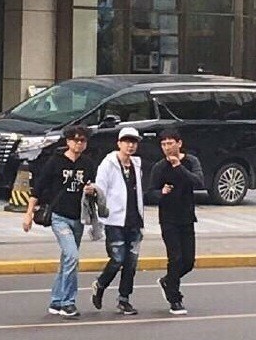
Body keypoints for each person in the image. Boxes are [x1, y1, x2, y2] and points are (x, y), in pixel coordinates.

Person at [23, 125, 96, 317]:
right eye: (75, 140)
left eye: (83, 140)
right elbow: (38, 188)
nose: (79, 144)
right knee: (72, 256)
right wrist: (29, 213)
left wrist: (92, 190)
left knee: (66, 260)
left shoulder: (88, 164)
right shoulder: (55, 162)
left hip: (78, 217)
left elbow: (95, 186)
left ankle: (56, 301)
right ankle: (68, 302)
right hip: (59, 216)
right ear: (68, 141)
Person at [148, 128, 204, 314]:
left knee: (188, 261)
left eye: (170, 143)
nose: (167, 147)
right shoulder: (159, 167)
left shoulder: (191, 161)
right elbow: (150, 192)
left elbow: (198, 182)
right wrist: (161, 193)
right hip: (168, 219)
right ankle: (175, 299)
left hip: (187, 217)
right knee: (175, 258)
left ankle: (167, 281)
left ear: (179, 143)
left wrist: (178, 166)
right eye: (163, 144)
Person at [91, 127, 145, 316]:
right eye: (127, 141)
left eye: (133, 142)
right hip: (114, 220)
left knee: (131, 263)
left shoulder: (137, 164)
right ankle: (100, 284)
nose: (130, 146)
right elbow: (101, 190)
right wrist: (99, 217)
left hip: (134, 220)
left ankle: (124, 299)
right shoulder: (108, 164)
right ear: (119, 143)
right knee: (118, 259)